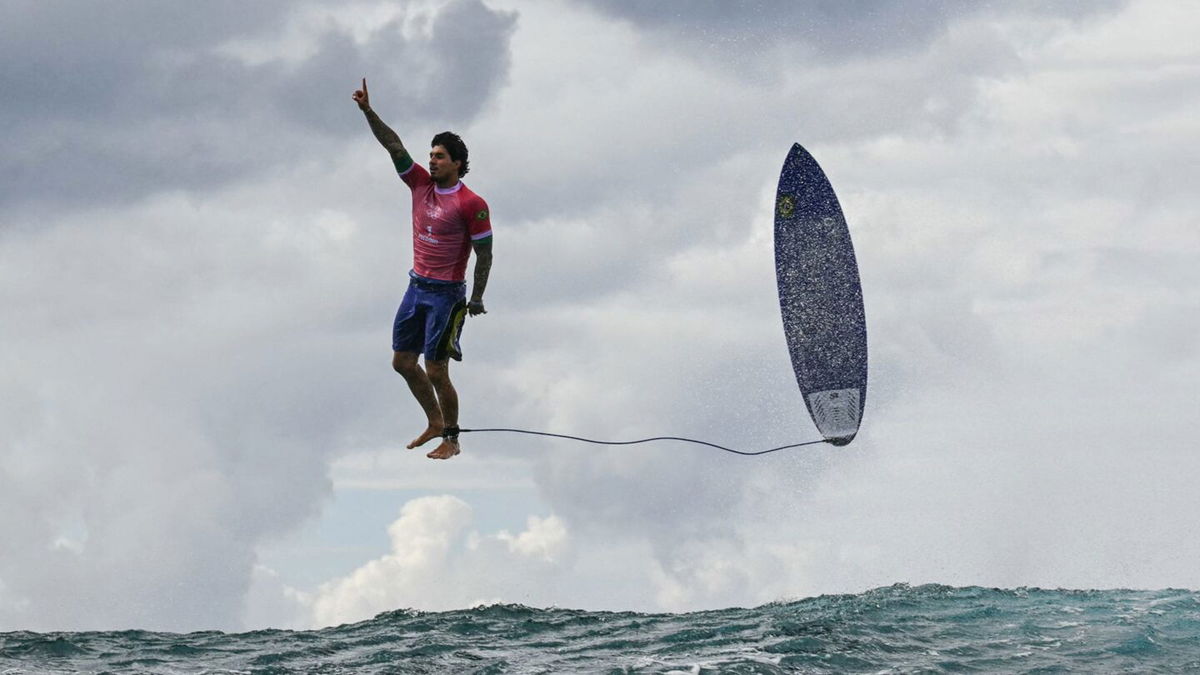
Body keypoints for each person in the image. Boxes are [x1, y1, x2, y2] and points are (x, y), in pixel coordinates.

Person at [353, 78, 493, 460]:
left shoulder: (471, 203)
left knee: (435, 369)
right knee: (402, 362)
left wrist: (477, 297)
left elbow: (485, 253)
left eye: (440, 156)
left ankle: (452, 437)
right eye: (431, 155)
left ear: (458, 164)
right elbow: (393, 145)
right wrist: (367, 111)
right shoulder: (419, 184)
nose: (432, 160)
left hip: (447, 295)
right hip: (416, 287)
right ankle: (433, 421)